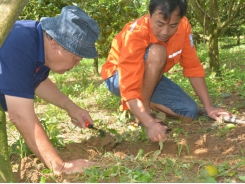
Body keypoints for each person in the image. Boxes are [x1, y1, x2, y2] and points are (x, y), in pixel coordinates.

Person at [100, 0, 231, 142]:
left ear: (180, 20)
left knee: (189, 111)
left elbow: (192, 67)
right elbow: (129, 85)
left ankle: (140, 104)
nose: (165, 32)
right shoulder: (136, 33)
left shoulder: (184, 27)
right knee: (157, 51)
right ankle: (142, 110)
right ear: (149, 14)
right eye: (160, 24)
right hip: (117, 77)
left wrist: (209, 107)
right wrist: (149, 122)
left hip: (148, 77)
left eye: (173, 25)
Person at [0, 6, 100, 174]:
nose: (77, 64)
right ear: (55, 45)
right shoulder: (20, 46)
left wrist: (70, 107)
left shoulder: (41, 46)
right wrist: (59, 165)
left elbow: (36, 80)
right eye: (76, 58)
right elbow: (20, 116)